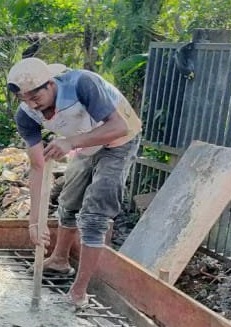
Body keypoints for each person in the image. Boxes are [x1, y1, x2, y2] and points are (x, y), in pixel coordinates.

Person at [8, 56, 142, 307]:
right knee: (68, 203)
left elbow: (118, 127)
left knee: (94, 215)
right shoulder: (26, 114)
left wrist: (70, 143)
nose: (32, 105)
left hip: (119, 142)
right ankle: (59, 260)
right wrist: (34, 222)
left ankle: (78, 292)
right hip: (85, 143)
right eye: (24, 100)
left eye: (35, 98)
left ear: (50, 84)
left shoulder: (83, 84)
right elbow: (38, 166)